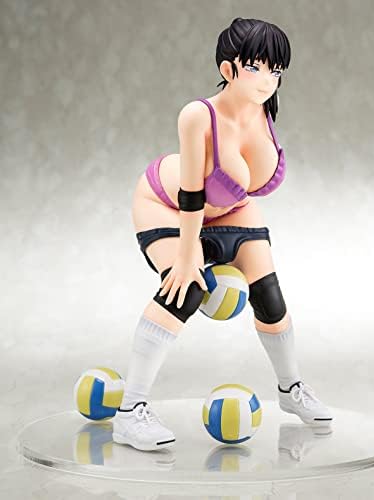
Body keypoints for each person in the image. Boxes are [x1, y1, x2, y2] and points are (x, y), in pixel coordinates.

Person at [112, 17, 333, 453]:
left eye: (276, 70)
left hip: (231, 207)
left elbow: (244, 187)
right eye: (256, 67)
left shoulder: (263, 109)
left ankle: (291, 389)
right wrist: (187, 255)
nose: (267, 79)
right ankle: (129, 411)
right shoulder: (198, 115)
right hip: (167, 205)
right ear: (228, 68)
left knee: (269, 295)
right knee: (186, 289)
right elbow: (192, 193)